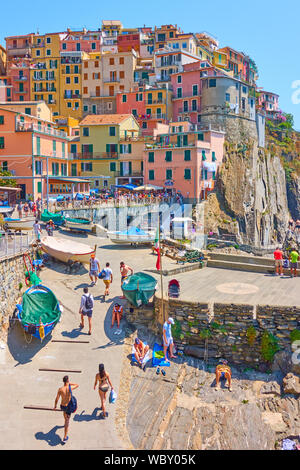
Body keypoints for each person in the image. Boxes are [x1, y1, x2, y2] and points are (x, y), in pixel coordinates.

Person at [54, 376, 79, 442]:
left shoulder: (60, 389)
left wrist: (55, 406)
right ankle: (65, 437)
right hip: (68, 406)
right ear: (67, 380)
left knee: (64, 413)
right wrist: (69, 383)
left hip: (62, 406)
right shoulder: (69, 387)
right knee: (67, 421)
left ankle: (65, 419)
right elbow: (77, 385)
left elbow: (57, 399)